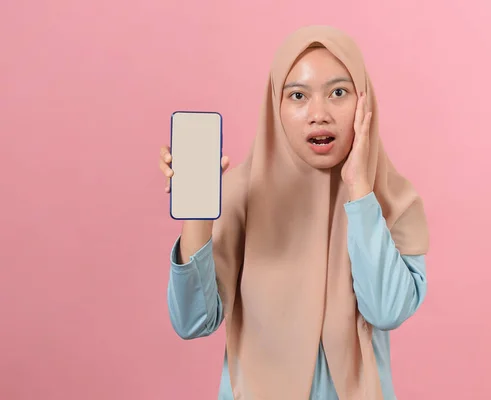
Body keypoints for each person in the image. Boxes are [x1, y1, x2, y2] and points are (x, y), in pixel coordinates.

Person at [158, 25, 429, 400]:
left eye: (338, 92)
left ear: (364, 103)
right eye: (298, 95)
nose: (319, 114)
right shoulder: (241, 196)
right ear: (275, 107)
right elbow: (192, 321)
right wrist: (198, 212)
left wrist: (360, 192)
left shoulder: (391, 200)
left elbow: (386, 310)